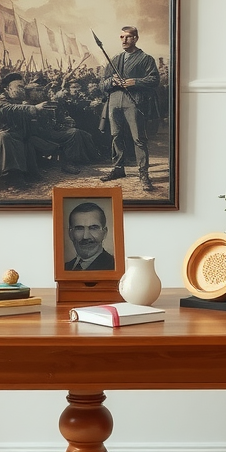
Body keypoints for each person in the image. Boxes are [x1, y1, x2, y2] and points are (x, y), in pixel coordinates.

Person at [99, 26, 159, 192]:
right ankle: (118, 169)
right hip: (114, 101)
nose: (124, 40)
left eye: (128, 37)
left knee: (138, 138)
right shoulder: (115, 59)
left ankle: (143, 174)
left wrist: (135, 82)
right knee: (116, 135)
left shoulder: (146, 59)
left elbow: (154, 80)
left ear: (135, 38)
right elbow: (101, 85)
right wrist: (111, 81)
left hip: (134, 101)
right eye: (121, 37)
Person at [64, 200, 116, 271]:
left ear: (104, 232)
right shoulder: (65, 268)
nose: (86, 236)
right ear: (70, 233)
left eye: (93, 228)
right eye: (79, 228)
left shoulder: (114, 266)